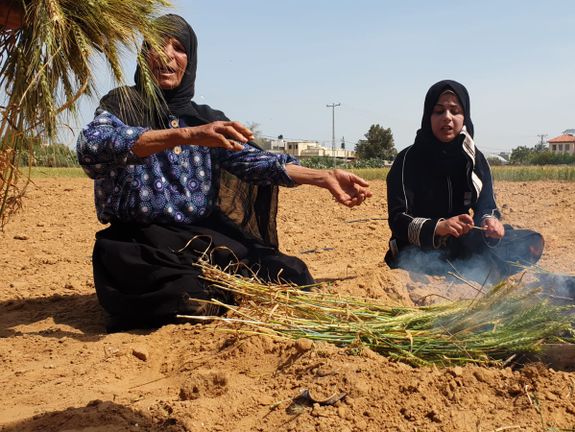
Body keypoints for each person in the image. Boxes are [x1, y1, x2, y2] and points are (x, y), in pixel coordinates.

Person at [77, 14, 371, 331]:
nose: (167, 55)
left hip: (200, 238)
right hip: (141, 243)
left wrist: (322, 177)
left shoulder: (205, 118)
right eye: (157, 45)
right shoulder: (122, 105)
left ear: (190, 61)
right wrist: (186, 136)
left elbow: (257, 162)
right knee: (188, 296)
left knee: (290, 274)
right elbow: (92, 147)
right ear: (143, 54)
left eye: (178, 48)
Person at [385, 80, 543, 285]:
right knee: (417, 259)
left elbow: (487, 205)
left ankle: (477, 270)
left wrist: (490, 222)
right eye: (439, 111)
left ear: (464, 116)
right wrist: (440, 227)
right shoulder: (407, 160)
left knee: (529, 241)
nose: (447, 118)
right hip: (420, 250)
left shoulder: (475, 159)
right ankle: (477, 271)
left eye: (454, 110)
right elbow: (398, 220)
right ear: (428, 116)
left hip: (462, 245)